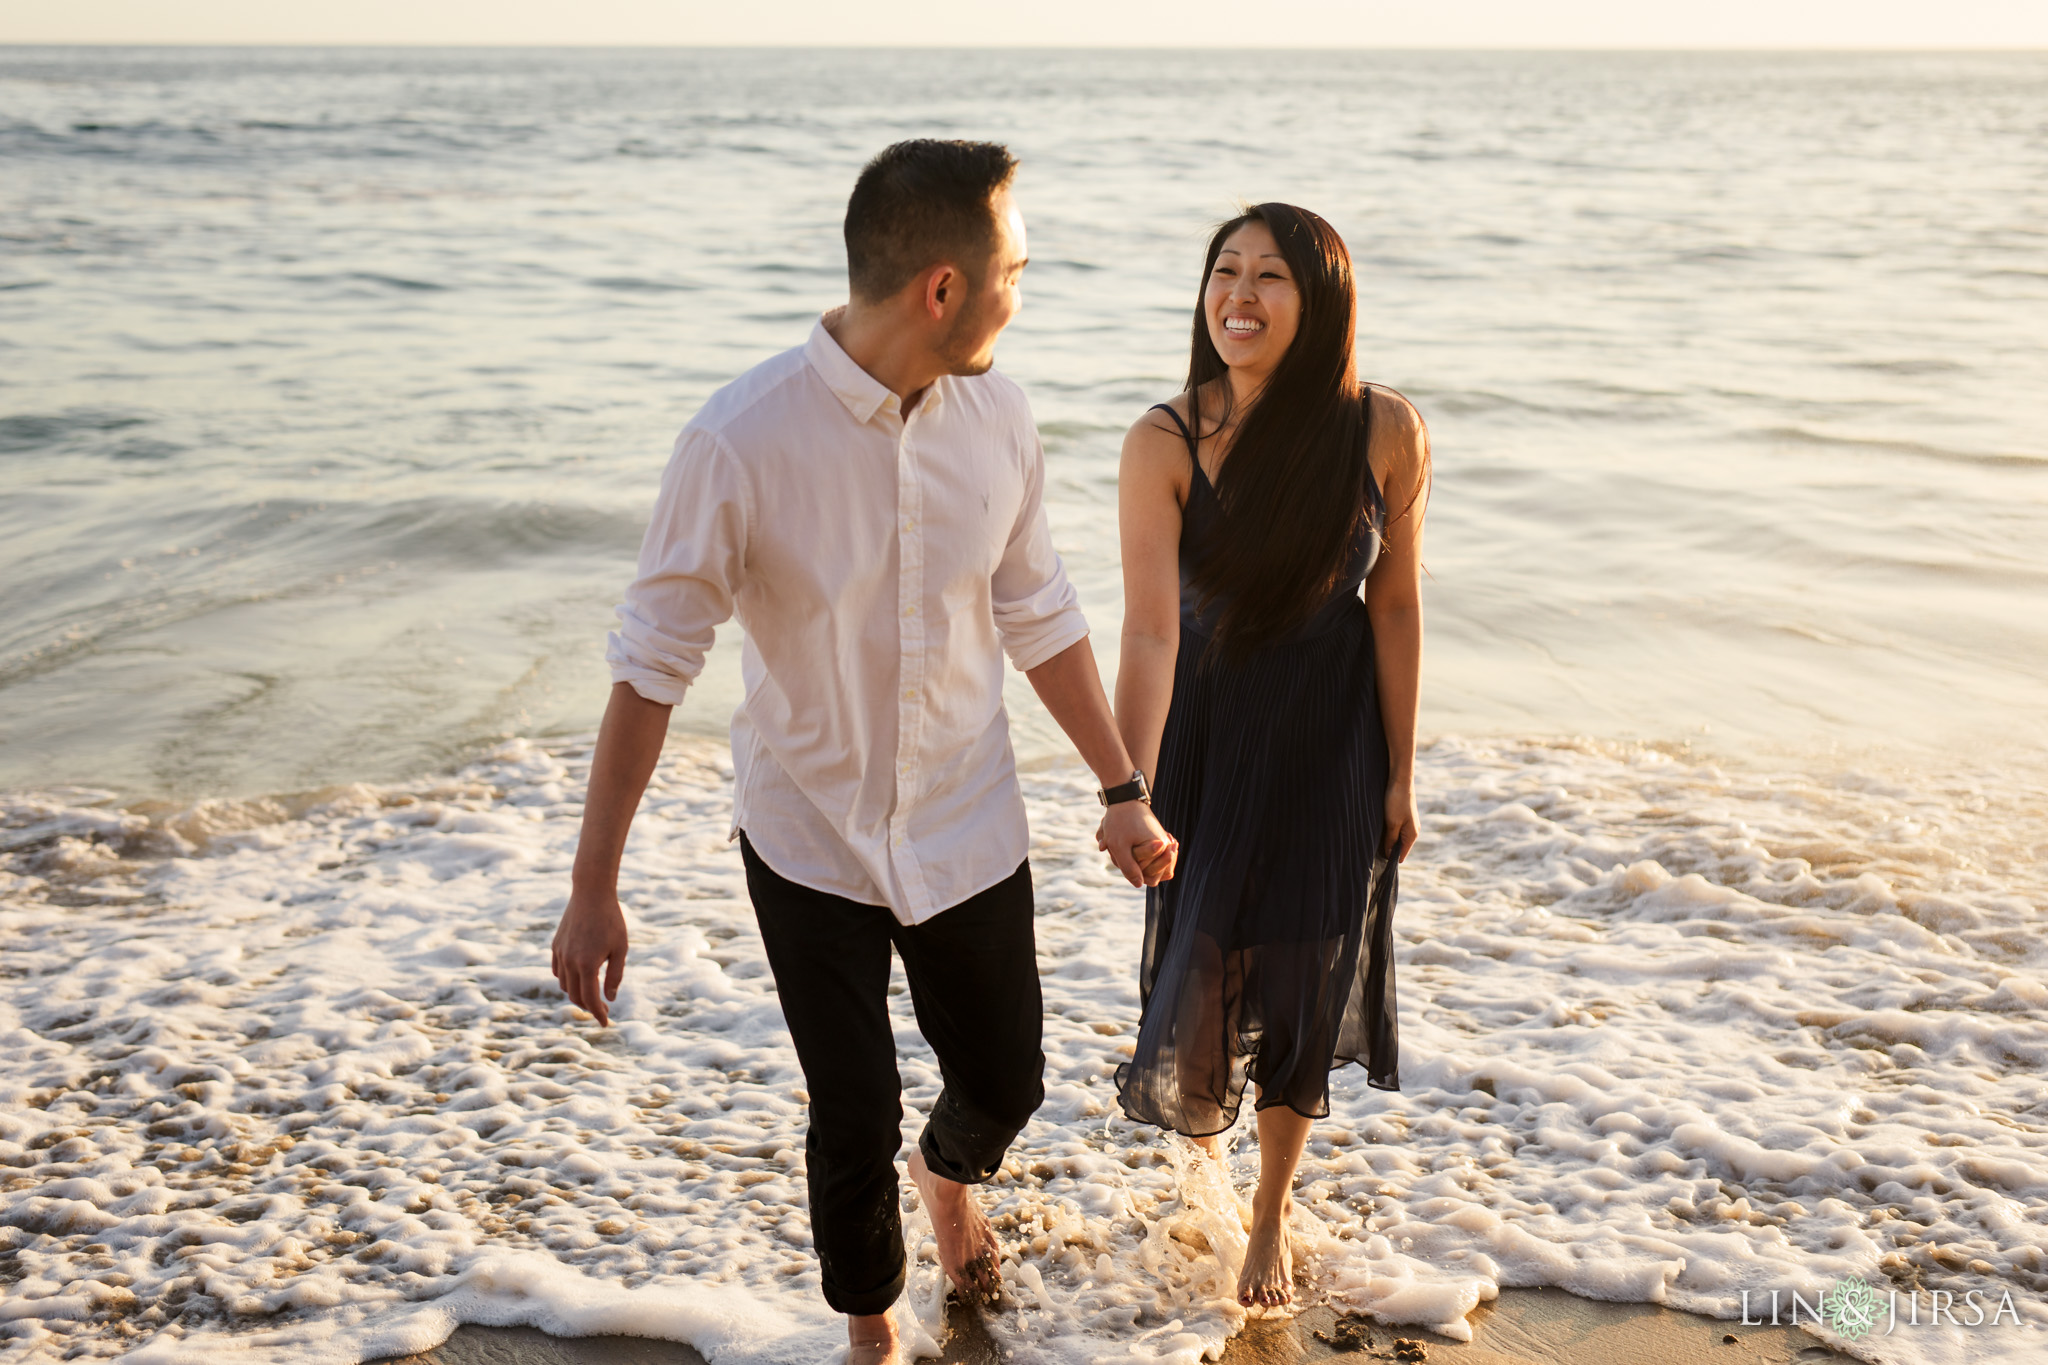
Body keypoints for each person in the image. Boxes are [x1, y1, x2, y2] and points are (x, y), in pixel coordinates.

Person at [548, 139, 1175, 1365]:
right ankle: (872, 1334)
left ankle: (950, 1177)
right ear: (942, 287)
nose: (1020, 291)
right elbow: (648, 671)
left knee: (1005, 1081)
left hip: (966, 816)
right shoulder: (737, 441)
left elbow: (1038, 613)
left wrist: (1121, 789)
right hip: (809, 832)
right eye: (1014, 269)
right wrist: (592, 885)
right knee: (850, 1111)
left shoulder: (997, 416)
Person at [1108, 203, 1428, 1310]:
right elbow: (1148, 629)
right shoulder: (1164, 440)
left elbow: (1393, 604)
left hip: (1330, 748)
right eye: (1222, 272)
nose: (1237, 295)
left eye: (1269, 277)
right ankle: (1202, 1167)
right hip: (1205, 742)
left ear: (1321, 298)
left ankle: (1268, 1214)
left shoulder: (1382, 429)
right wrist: (1127, 785)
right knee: (1203, 966)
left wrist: (1399, 768)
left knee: (1303, 982)